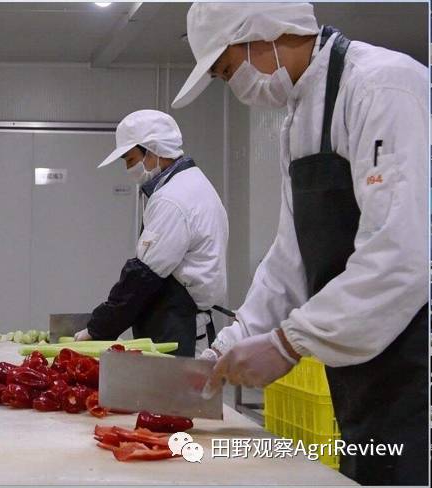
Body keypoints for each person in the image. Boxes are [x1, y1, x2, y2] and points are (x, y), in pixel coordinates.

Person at [173, 3, 428, 485]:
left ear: (262, 33)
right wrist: (228, 345)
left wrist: (289, 342)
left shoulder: (382, 86)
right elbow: (291, 257)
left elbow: (402, 254)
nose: (234, 86)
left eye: (227, 70)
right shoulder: (299, 117)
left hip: (414, 354)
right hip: (359, 362)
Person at [74, 110, 229, 357]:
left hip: (180, 330)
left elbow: (142, 277)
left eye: (130, 159)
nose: (129, 168)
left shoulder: (173, 198)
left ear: (153, 151)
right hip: (181, 322)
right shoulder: (192, 184)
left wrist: (97, 329)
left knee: (175, 385)